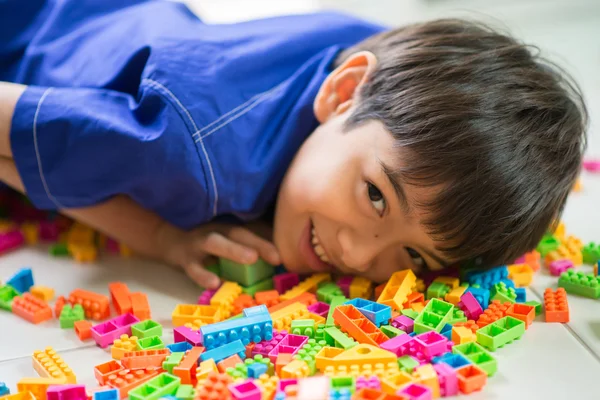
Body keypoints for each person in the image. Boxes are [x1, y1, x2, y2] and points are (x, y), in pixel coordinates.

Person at [0, 0, 587, 289]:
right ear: (346, 90)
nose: (360, 257)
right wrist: (163, 236)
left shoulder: (369, 55)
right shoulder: (190, 156)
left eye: (414, 259)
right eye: (377, 198)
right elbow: (26, 147)